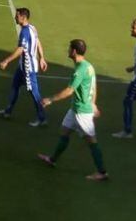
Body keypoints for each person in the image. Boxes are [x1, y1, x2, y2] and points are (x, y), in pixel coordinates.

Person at [37, 39, 108, 181]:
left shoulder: (80, 70)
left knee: (92, 141)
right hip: (75, 110)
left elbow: (69, 90)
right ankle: (52, 159)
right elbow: (93, 87)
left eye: (69, 48)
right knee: (64, 132)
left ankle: (102, 172)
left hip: (82, 112)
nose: (68, 50)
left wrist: (50, 99)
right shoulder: (89, 66)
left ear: (74, 51)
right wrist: (93, 104)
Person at [0, 7, 48, 126]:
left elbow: (21, 49)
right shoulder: (32, 28)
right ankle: (8, 111)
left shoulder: (25, 32)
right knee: (14, 86)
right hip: (22, 67)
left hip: (28, 68)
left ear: (23, 17)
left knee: (35, 93)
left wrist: (6, 61)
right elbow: (38, 42)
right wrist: (42, 58)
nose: (15, 17)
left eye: (17, 15)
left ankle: (42, 118)